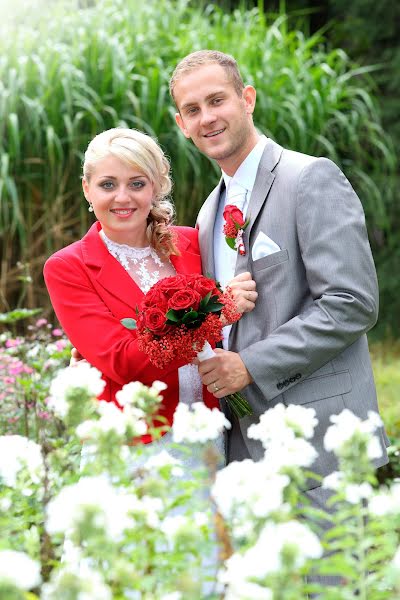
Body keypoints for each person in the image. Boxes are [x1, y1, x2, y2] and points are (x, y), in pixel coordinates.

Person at [169, 50, 389, 515]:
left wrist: (249, 365)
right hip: (245, 446)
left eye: (217, 100)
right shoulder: (208, 214)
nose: (207, 117)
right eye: (192, 110)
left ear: (247, 98)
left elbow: (351, 302)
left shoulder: (309, 178)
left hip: (322, 441)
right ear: (181, 123)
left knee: (332, 585)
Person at [43, 127, 255, 454]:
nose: (123, 197)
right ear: (87, 189)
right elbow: (123, 363)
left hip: (210, 431)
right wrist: (219, 313)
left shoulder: (191, 242)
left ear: (154, 186)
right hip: (132, 443)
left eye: (137, 183)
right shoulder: (68, 267)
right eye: (108, 184)